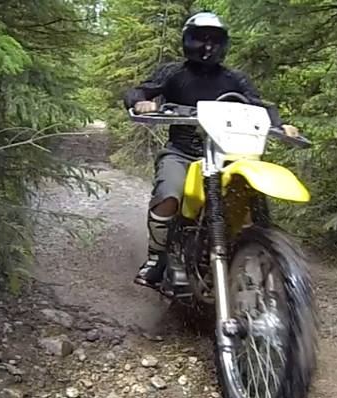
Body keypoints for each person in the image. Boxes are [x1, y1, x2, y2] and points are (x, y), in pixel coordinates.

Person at [123, 11, 300, 290]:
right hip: (182, 152)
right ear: (188, 40)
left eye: (214, 40)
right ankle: (156, 258)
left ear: (223, 44)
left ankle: (262, 257)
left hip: (227, 155)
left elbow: (258, 106)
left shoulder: (235, 79)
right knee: (169, 194)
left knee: (249, 196)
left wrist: (280, 124)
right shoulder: (173, 73)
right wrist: (141, 102)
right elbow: (139, 92)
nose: (207, 46)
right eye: (200, 38)